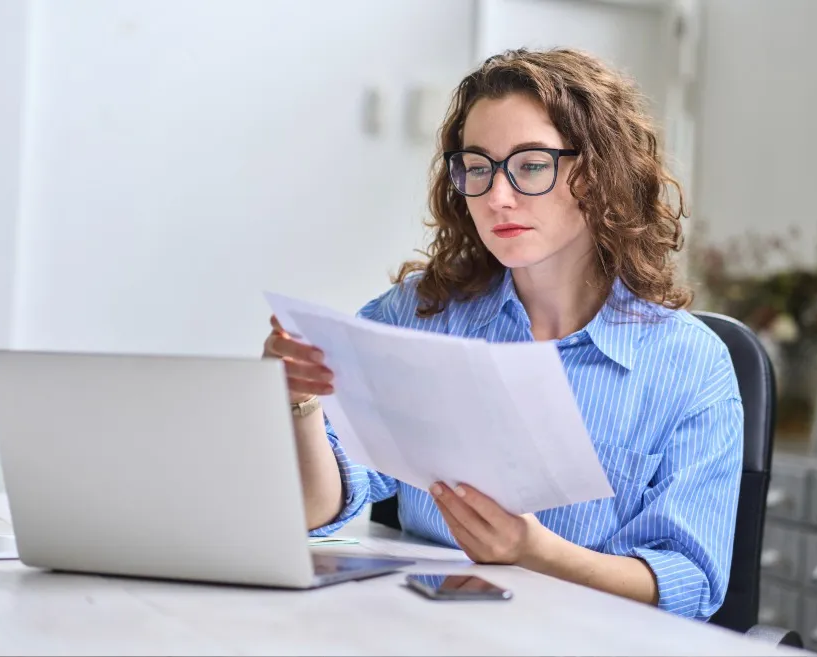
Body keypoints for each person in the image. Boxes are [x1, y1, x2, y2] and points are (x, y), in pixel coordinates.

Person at [263, 47, 742, 621]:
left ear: (597, 175)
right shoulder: (418, 315)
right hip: (422, 630)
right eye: (479, 166)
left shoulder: (691, 362)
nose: (497, 196)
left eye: (531, 164)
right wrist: (301, 403)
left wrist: (536, 554)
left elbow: (690, 581)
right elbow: (322, 510)